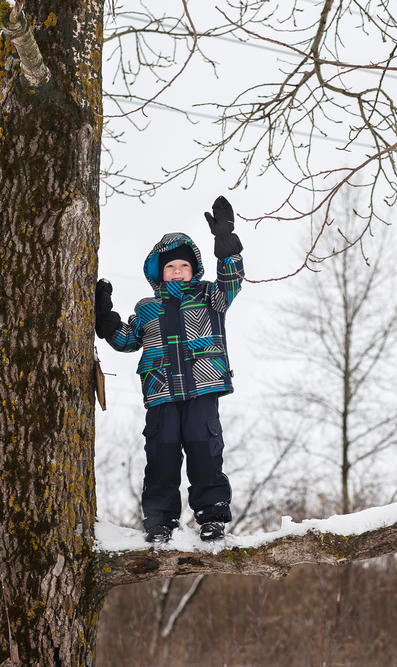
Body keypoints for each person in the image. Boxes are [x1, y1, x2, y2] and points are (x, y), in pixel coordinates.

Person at [95, 196, 244, 543]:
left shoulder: (210, 297)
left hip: (202, 389)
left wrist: (228, 251)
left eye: (184, 266)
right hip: (161, 392)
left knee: (205, 450)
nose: (177, 272)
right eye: (170, 267)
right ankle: (160, 521)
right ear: (158, 274)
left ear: (194, 271)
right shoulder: (148, 308)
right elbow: (126, 340)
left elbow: (232, 282)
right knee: (160, 455)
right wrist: (104, 316)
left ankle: (212, 516)